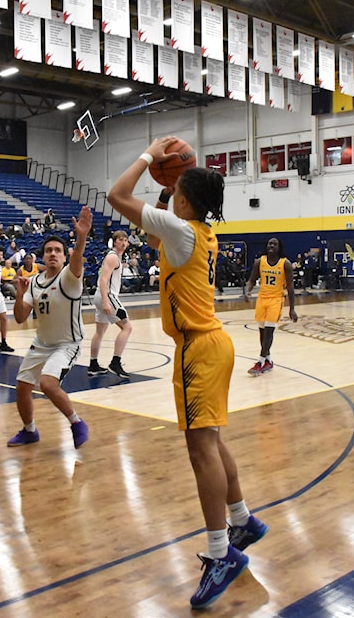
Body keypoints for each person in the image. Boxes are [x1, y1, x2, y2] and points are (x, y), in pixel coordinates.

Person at [106, 136, 266, 610]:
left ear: (185, 199)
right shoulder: (192, 231)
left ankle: (222, 553)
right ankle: (242, 520)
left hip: (199, 348)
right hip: (210, 345)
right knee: (211, 442)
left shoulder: (182, 230)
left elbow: (116, 196)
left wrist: (148, 157)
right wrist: (165, 187)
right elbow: (153, 237)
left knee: (201, 450)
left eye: (174, 192)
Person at [6, 207, 93, 449]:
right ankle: (29, 431)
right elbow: (20, 318)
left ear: (64, 257)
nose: (53, 254)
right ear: (42, 257)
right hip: (42, 343)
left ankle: (76, 423)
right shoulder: (33, 282)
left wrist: (82, 237)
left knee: (47, 384)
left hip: (67, 344)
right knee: (22, 387)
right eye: (48, 251)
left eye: (58, 251)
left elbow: (77, 259)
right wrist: (20, 294)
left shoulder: (69, 277)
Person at [243, 237, 298, 376]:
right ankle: (268, 360)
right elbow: (252, 279)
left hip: (276, 300)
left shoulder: (285, 264)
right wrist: (247, 291)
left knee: (269, 331)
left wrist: (292, 308)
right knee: (262, 332)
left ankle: (259, 362)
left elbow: (291, 288)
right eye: (269, 243)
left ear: (279, 247)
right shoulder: (259, 262)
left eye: (274, 244)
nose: (271, 245)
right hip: (262, 299)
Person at [87, 231, 133, 378]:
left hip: (101, 296)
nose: (124, 243)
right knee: (127, 327)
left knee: (100, 331)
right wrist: (106, 302)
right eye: (121, 240)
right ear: (114, 242)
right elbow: (103, 280)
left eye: (126, 240)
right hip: (108, 296)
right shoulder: (113, 257)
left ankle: (93, 365)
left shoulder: (115, 256)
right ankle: (115, 362)